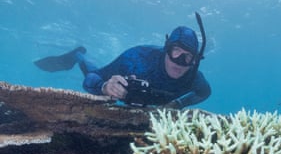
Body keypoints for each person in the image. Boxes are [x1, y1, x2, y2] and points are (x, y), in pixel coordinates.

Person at [34, 19, 210, 109]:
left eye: (188, 57)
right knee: (93, 68)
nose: (180, 62)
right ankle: (78, 55)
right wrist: (104, 87)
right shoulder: (138, 58)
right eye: (176, 52)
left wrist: (178, 104)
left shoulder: (193, 77)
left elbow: (205, 93)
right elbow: (92, 78)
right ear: (166, 49)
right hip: (120, 89)